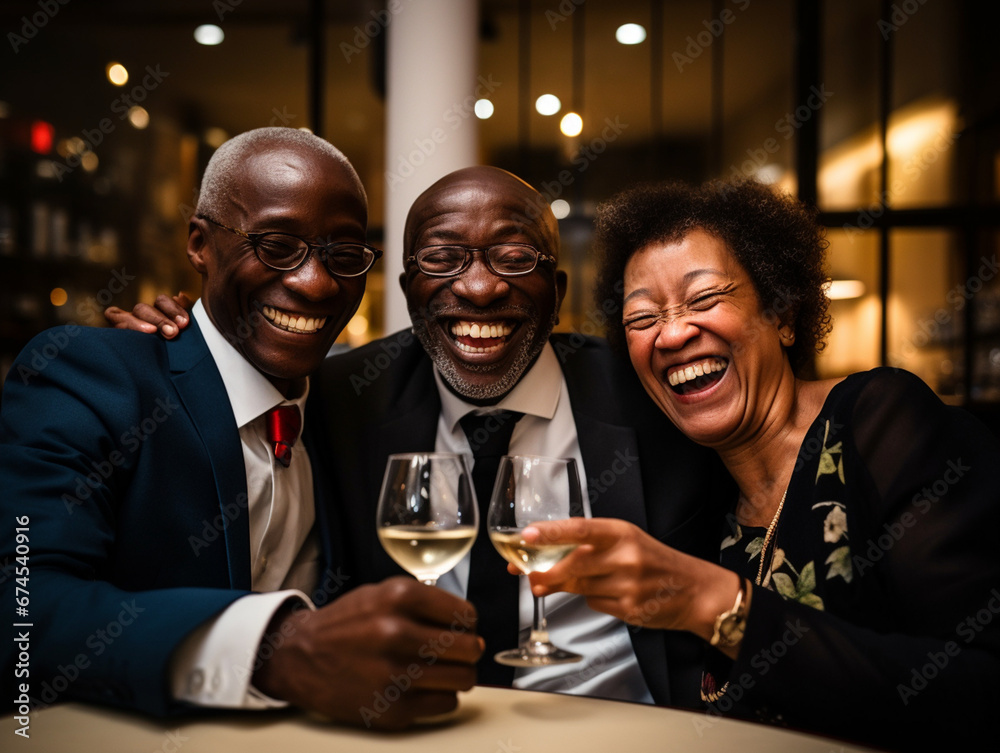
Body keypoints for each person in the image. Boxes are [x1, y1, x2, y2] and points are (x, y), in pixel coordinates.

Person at [109, 166, 733, 710]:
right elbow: (232, 371)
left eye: (515, 258)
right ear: (408, 293)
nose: (480, 288)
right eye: (441, 259)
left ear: (557, 295)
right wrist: (177, 339)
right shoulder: (342, 395)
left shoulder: (651, 394)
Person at [0, 127, 482, 731]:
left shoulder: (343, 401)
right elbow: (20, 607)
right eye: (277, 245)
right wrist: (275, 650)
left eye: (344, 253)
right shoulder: (93, 376)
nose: (316, 282)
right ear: (199, 244)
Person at [518, 178, 1000, 750]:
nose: (672, 333)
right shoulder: (696, 492)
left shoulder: (881, 421)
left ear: (783, 313)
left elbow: (982, 687)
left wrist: (715, 602)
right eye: (642, 319)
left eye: (703, 300)